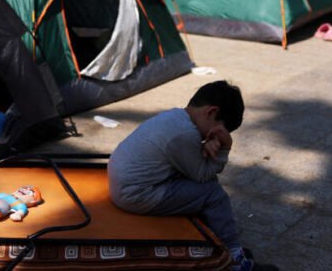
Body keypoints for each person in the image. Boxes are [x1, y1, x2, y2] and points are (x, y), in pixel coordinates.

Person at [108, 81, 278, 271]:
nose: (215, 137)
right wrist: (225, 148)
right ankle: (235, 261)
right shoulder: (185, 134)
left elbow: (191, 164)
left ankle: (214, 242)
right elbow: (202, 175)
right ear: (211, 112)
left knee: (201, 188)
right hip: (136, 195)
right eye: (219, 131)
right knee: (213, 194)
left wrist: (205, 149)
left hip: (126, 184)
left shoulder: (176, 117)